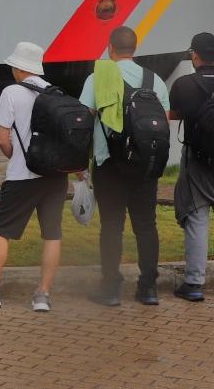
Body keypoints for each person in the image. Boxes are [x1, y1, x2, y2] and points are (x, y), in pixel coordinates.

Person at [0, 42, 65, 312]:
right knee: (52, 234)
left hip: (22, 176)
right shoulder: (55, 93)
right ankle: (43, 295)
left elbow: (1, 138)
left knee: (2, 232)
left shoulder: (11, 92)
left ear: (20, 68)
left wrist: (15, 156)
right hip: (54, 177)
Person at [79, 26, 169, 307]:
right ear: (135, 48)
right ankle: (148, 288)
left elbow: (84, 119)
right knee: (146, 225)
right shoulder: (156, 81)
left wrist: (80, 162)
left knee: (112, 226)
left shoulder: (98, 77)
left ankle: (111, 287)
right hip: (145, 165)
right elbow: (162, 120)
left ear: (110, 48)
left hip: (110, 164)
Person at [167, 33, 214, 302]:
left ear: (194, 55)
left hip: (198, 160)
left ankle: (194, 282)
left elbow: (174, 113)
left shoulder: (184, 85)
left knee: (197, 218)